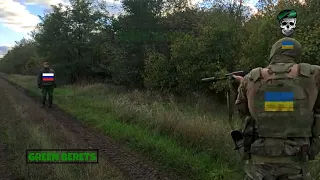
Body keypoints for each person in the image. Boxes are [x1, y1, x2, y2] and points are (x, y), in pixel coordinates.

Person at [234, 37, 320, 180]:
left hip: (259, 164)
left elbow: (242, 111)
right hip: (297, 161)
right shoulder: (314, 74)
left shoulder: (251, 78)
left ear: (274, 52)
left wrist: (244, 85)